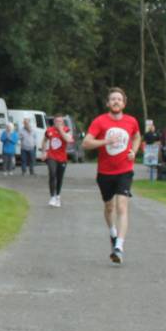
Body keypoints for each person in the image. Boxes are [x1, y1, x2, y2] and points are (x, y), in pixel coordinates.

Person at [83, 87, 141, 264]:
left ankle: (119, 247)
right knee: (109, 207)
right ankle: (113, 233)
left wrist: (134, 151)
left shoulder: (131, 121)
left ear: (124, 103)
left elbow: (137, 136)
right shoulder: (99, 121)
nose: (116, 101)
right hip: (105, 172)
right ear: (108, 103)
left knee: (122, 206)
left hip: (125, 170)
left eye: (119, 99)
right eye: (113, 99)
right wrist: (106, 141)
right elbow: (86, 143)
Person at [42, 115, 72, 206]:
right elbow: (44, 140)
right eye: (57, 121)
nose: (58, 123)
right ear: (54, 122)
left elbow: (68, 139)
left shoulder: (66, 130)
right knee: (52, 173)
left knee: (59, 177)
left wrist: (61, 130)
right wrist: (44, 152)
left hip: (62, 158)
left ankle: (58, 195)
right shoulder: (49, 131)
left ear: (63, 123)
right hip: (51, 156)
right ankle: (52, 197)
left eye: (60, 121)